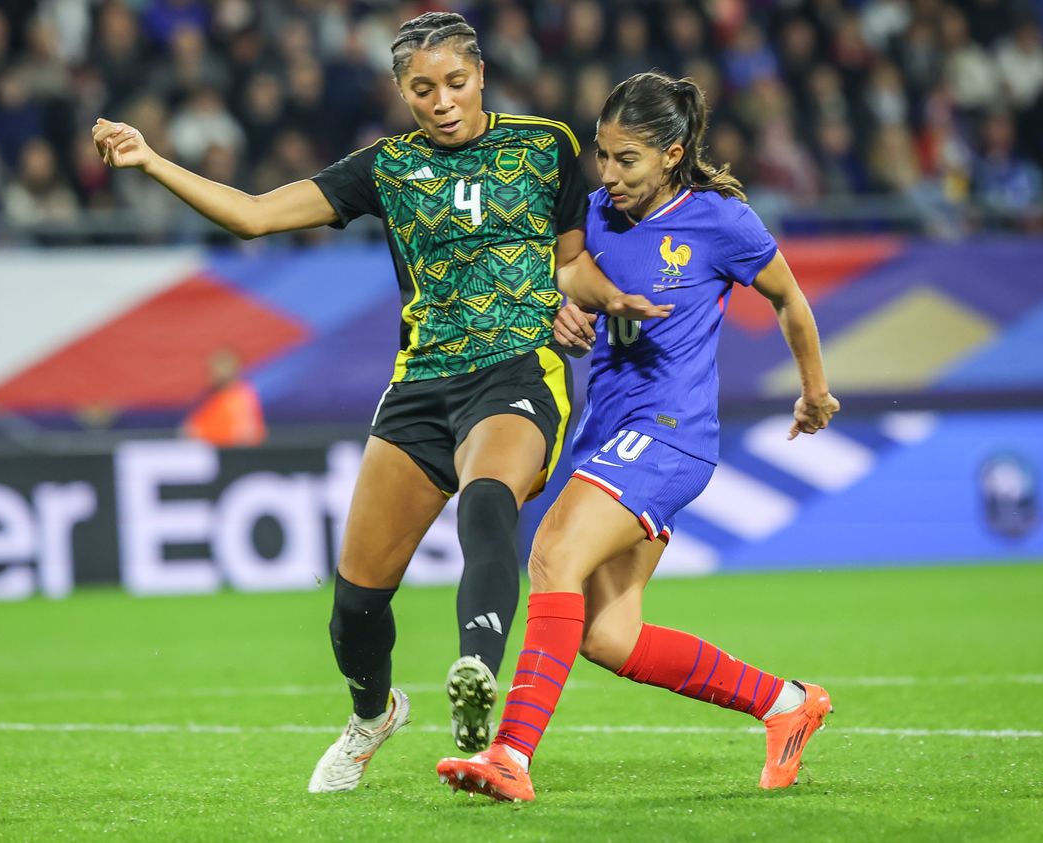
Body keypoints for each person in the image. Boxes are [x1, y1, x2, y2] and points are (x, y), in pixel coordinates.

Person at [92, 11, 666, 793]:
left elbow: (571, 263)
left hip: (519, 370)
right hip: (420, 389)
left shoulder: (546, 145)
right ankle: (372, 713)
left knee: (489, 501)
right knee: (357, 605)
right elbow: (257, 216)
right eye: (422, 88)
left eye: (455, 83)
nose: (441, 101)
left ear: (482, 76)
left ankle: (475, 676)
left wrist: (598, 299)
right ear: (401, 91)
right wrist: (152, 160)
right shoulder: (384, 169)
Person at [436, 71, 842, 802]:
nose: (609, 174)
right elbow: (563, 284)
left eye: (628, 159)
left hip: (671, 433)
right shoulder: (590, 216)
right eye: (602, 155)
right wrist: (562, 315)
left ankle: (511, 755)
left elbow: (788, 296)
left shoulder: (719, 221)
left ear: (672, 154)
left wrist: (813, 389)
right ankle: (787, 704)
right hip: (608, 433)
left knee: (553, 551)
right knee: (608, 635)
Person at [181, 348, 266, 448]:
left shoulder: (240, 397)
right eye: (211, 369)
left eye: (220, 367)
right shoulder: (210, 397)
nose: (213, 373)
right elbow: (190, 429)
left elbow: (246, 436)